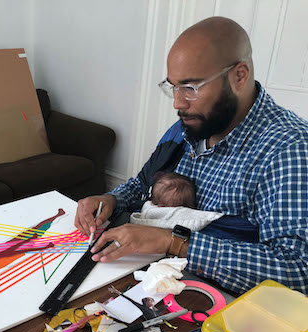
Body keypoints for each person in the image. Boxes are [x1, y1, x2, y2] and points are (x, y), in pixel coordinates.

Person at [74, 17, 308, 295]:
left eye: (191, 88)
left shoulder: (288, 148)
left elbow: (297, 272)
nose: (177, 102)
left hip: (220, 309)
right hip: (148, 280)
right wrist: (110, 200)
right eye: (172, 86)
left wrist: (173, 242)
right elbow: (141, 185)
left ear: (240, 76)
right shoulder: (190, 124)